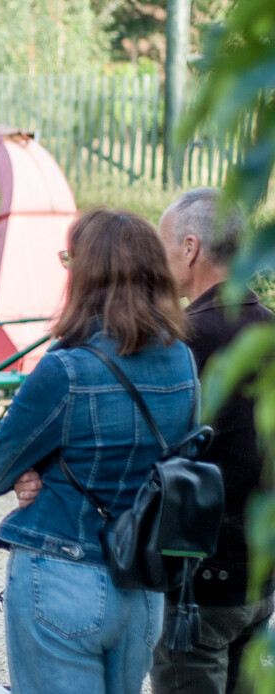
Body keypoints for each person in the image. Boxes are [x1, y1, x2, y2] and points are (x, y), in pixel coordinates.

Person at [0, 208, 198, 694]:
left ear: (86, 274)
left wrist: (30, 471)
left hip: (62, 571)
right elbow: (177, 465)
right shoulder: (182, 360)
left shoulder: (66, 368)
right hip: (142, 581)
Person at [151, 188, 275, 694]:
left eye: (163, 248)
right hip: (260, 580)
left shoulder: (181, 341)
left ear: (190, 247)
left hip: (199, 585)